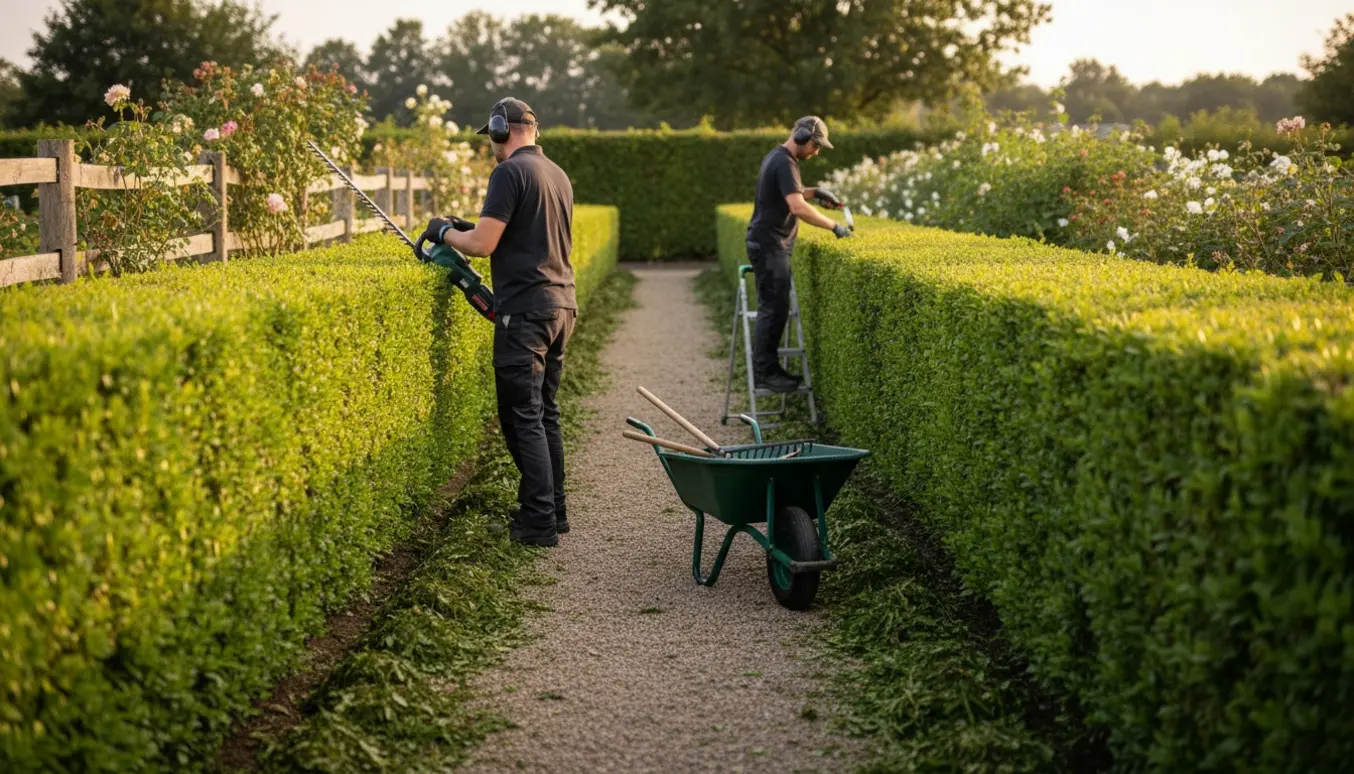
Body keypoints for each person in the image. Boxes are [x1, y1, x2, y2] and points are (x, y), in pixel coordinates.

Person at [418, 97, 576, 548]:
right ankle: (554, 512)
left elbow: (485, 245)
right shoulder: (556, 175)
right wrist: (461, 225)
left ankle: (537, 523)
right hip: (562, 307)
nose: (491, 144)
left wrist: (441, 232)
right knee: (545, 413)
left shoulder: (508, 172)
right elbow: (519, 233)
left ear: (500, 129)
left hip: (525, 313)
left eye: (490, 136)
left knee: (521, 417)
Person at [745, 115, 852, 393]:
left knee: (776, 308)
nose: (816, 152)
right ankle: (765, 374)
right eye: (815, 145)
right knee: (773, 309)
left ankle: (769, 370)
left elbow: (792, 192)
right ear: (802, 136)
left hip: (769, 244)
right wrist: (834, 226)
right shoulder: (784, 162)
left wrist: (814, 192)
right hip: (770, 245)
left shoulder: (778, 158)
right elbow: (797, 207)